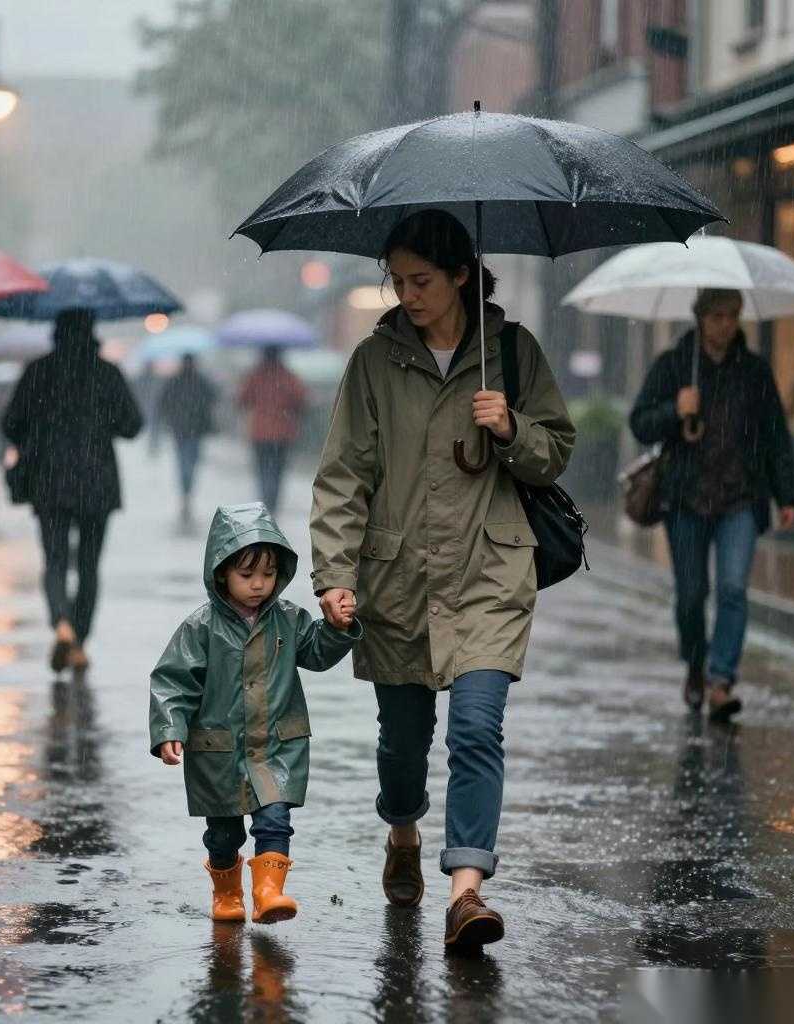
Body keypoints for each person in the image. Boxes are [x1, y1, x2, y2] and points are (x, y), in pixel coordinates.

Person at [310, 209, 574, 951]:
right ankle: (403, 829)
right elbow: (342, 476)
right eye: (396, 281)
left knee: (476, 729)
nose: (407, 295)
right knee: (403, 744)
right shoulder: (375, 361)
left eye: (421, 280)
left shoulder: (513, 352)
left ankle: (467, 891)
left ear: (462, 275)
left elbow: (555, 451)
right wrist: (334, 574)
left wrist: (512, 428)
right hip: (397, 578)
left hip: (491, 570)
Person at [149, 502, 360, 924]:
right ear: (221, 573)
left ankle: (269, 892)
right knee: (223, 834)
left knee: (275, 819)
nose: (259, 584)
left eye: (268, 573)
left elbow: (317, 653)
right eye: (246, 575)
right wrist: (170, 728)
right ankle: (227, 893)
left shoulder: (289, 620)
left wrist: (336, 629)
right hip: (219, 751)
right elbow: (173, 681)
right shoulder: (201, 627)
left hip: (275, 746)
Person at [630, 288, 794, 720]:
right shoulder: (674, 365)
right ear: (701, 317)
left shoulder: (754, 372)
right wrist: (675, 409)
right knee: (691, 595)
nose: (726, 324)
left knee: (733, 589)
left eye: (732, 316)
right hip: (685, 500)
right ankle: (695, 663)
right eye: (717, 316)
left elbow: (775, 435)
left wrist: (787, 496)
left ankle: (721, 681)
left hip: (740, 499)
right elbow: (640, 423)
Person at [2, 307, 143, 673]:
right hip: (97, 481)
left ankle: (61, 622)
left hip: (49, 479)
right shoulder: (106, 373)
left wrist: (40, 429)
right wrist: (103, 422)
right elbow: (133, 425)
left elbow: (10, 424)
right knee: (89, 566)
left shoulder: (39, 371)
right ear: (92, 333)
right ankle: (79, 641)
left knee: (54, 560)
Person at [237, 347, 307, 514]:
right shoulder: (288, 376)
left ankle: (265, 500)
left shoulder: (255, 376)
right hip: (283, 432)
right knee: (278, 469)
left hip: (260, 432)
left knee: (262, 468)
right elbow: (301, 400)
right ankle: (272, 502)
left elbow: (242, 399)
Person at [156, 353, 218, 524]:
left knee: (184, 462)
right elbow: (213, 398)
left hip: (181, 430)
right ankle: (187, 492)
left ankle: (185, 492)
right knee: (190, 463)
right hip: (193, 430)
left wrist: (171, 417)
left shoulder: (176, 381)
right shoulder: (200, 381)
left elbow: (163, 402)